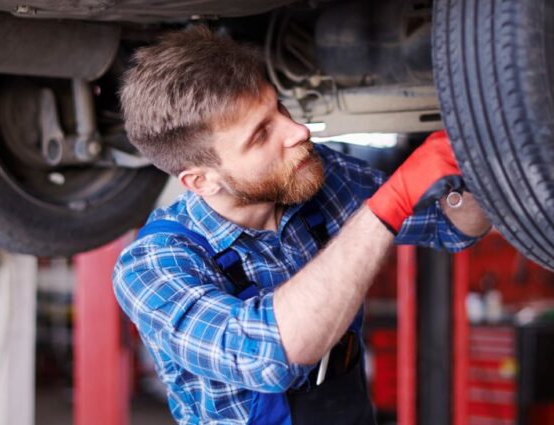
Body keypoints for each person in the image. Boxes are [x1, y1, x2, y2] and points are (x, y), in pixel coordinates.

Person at [113, 26, 491, 425]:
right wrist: (389, 204)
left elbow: (450, 226)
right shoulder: (152, 266)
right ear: (201, 181)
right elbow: (269, 356)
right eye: (261, 135)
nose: (299, 132)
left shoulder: (316, 175)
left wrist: (478, 172)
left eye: (280, 109)